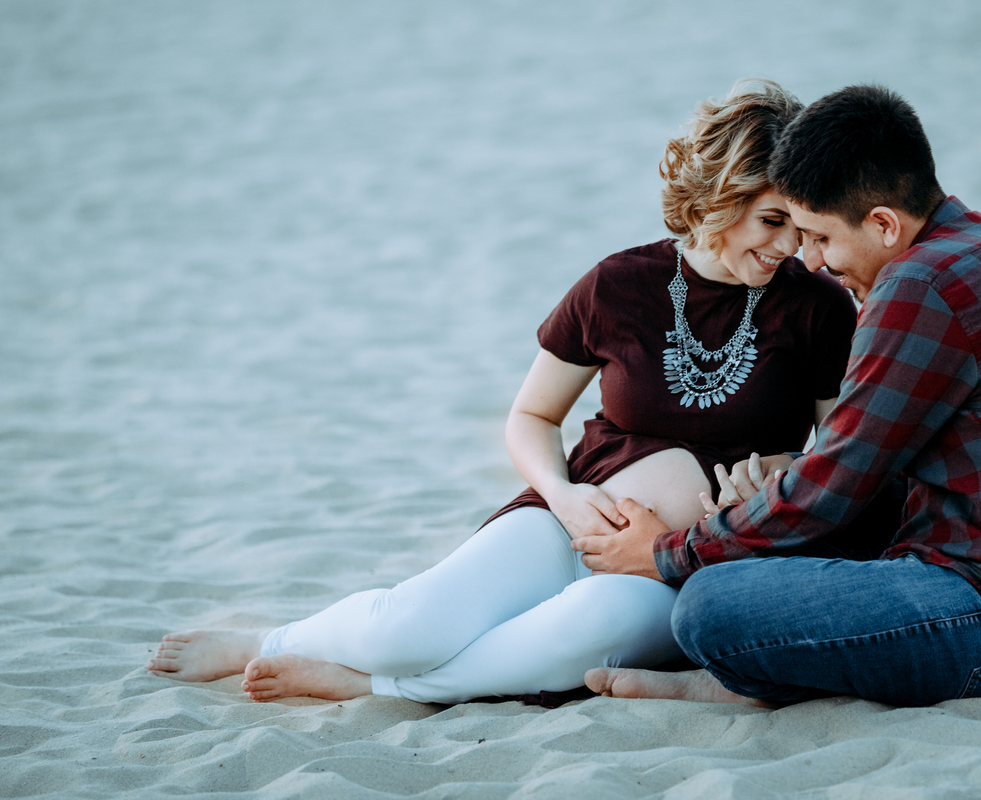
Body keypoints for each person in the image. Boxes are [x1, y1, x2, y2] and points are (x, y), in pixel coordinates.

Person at [145, 80, 859, 705]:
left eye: (800, 228)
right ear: (720, 196)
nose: (790, 248)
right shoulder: (617, 285)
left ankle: (377, 689)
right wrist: (562, 493)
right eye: (772, 222)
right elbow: (532, 415)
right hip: (573, 515)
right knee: (410, 627)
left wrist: (774, 481)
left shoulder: (818, 308)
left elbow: (841, 456)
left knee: (579, 634)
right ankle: (270, 639)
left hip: (684, 563)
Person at [578, 84, 981, 707]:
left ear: (884, 224)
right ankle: (781, 669)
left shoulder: (920, 284)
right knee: (760, 545)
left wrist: (665, 554)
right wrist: (795, 474)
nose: (807, 262)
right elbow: (861, 469)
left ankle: (752, 685)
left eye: (821, 238)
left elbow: (832, 487)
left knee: (709, 606)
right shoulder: (979, 251)